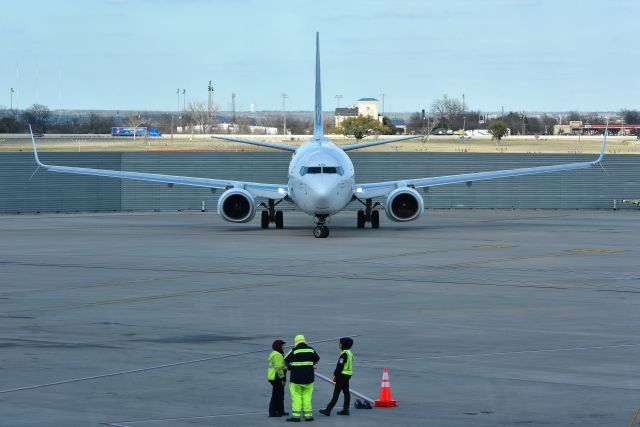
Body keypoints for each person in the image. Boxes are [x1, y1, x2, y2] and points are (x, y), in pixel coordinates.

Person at [284, 334, 320, 422]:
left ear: (296, 342)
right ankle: (308, 416)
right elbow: (317, 359)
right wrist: (311, 364)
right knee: (307, 396)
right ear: (304, 341)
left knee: (296, 396)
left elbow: (285, 361)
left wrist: (289, 367)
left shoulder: (294, 350)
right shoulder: (311, 349)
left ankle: (296, 416)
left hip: (296, 379)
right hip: (309, 378)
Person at [319, 337, 353, 416]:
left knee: (336, 393)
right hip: (348, 374)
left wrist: (335, 375)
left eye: (340, 343)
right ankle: (346, 409)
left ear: (344, 344)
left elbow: (339, 366)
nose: (339, 344)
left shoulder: (344, 354)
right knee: (346, 392)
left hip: (342, 375)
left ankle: (328, 410)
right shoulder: (349, 353)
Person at [268, 339, 288, 417]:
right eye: (282, 346)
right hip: (276, 377)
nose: (283, 347)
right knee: (276, 395)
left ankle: (280, 411)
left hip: (273, 376)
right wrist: (283, 378)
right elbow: (279, 368)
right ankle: (272, 412)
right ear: (279, 346)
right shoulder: (278, 355)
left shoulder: (275, 353)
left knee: (280, 394)